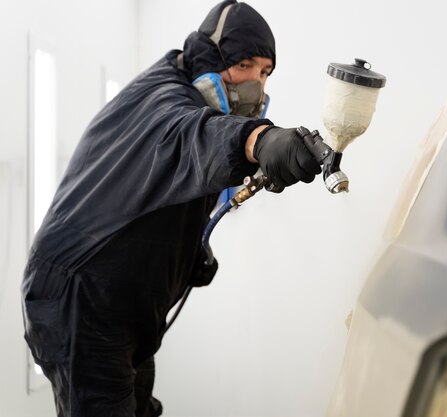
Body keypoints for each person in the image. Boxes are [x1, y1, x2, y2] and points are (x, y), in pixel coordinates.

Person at [20, 1, 322, 416]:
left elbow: (165, 185)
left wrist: (188, 251)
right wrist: (259, 140)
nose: (257, 83)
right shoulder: (164, 100)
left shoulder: (191, 101)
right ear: (209, 57)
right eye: (247, 65)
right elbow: (191, 137)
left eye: (266, 72)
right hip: (81, 300)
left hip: (120, 301)